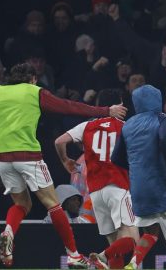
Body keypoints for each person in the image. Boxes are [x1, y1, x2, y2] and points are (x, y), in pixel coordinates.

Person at [0, 63, 127, 268]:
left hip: (2, 158)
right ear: (31, 79)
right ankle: (73, 253)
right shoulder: (35, 92)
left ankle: (9, 231)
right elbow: (68, 106)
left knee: (22, 204)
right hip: (28, 155)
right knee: (53, 204)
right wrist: (105, 110)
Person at [54, 89, 139, 269]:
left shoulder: (86, 126)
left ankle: (106, 258)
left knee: (114, 241)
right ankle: (101, 256)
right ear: (120, 105)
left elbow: (59, 141)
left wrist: (65, 160)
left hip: (96, 193)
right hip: (118, 186)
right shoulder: (125, 127)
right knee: (133, 238)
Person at [111, 84, 166, 270]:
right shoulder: (163, 118)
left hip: (138, 193)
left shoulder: (128, 125)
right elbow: (165, 139)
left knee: (151, 231)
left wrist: (136, 170)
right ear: (158, 100)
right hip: (162, 187)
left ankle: (130, 263)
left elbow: (115, 158)